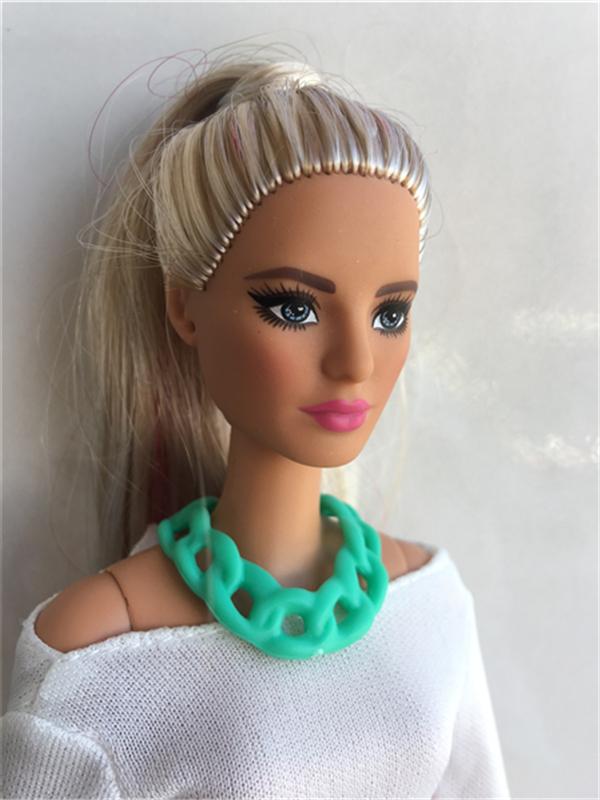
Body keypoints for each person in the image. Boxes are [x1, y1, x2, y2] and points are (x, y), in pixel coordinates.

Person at [2, 49, 511, 798]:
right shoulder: (96, 668)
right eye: (293, 307)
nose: (355, 362)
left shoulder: (432, 604)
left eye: (390, 313)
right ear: (185, 308)